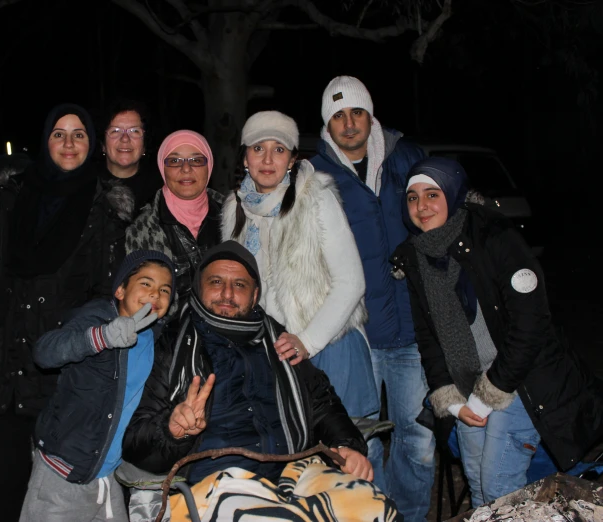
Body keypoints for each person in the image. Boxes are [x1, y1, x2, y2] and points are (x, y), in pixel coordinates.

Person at [391, 157, 603, 507]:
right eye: (412, 198)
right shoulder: (415, 257)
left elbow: (531, 324)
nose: (422, 206)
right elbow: (428, 339)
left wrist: (490, 391)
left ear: (453, 193)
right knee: (476, 482)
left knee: (497, 483)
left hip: (521, 380)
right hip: (466, 383)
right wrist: (451, 398)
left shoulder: (495, 236)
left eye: (432, 194)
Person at [0, 103, 135, 521]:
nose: (69, 143)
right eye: (59, 133)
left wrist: (74, 344)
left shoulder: (103, 209)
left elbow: (103, 294)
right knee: (6, 487)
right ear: (46, 141)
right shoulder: (12, 197)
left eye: (79, 134)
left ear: (91, 144)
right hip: (4, 364)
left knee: (54, 496)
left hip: (61, 370)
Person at [122, 241, 373, 488]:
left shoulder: (279, 340)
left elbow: (321, 403)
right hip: (219, 486)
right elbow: (135, 443)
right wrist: (171, 431)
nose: (227, 294)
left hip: (297, 475)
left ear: (254, 296)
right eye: (216, 282)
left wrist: (346, 445)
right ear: (198, 287)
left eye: (239, 285)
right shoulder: (172, 345)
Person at [309, 75, 434, 521]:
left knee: (417, 438)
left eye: (356, 112)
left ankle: (411, 517)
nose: (348, 123)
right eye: (338, 115)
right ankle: (374, 515)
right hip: (353, 335)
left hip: (410, 328)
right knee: (361, 439)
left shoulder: (406, 159)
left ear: (370, 115)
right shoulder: (313, 174)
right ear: (327, 122)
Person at [220, 110, 376, 430]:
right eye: (258, 148)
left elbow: (351, 281)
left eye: (278, 149)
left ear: (292, 159)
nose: (267, 159)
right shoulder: (235, 209)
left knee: (355, 455)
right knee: (300, 456)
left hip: (331, 344)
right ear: (245, 157)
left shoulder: (315, 197)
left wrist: (308, 340)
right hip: (275, 354)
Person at [19, 250, 175, 521]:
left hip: (107, 474)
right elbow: (44, 352)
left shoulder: (157, 337)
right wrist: (101, 337)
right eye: (146, 283)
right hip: (64, 471)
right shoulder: (95, 319)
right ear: (120, 291)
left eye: (164, 289)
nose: (155, 294)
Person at [126, 130, 223, 316]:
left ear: (209, 166)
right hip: (169, 339)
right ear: (163, 169)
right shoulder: (142, 229)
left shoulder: (235, 217)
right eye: (175, 161)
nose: (186, 169)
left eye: (196, 160)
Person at [98, 98, 163, 212]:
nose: (125, 139)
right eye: (115, 131)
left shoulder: (163, 190)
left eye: (134, 131)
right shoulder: (85, 188)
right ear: (103, 144)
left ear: (144, 145)